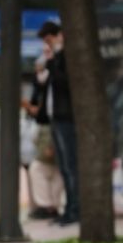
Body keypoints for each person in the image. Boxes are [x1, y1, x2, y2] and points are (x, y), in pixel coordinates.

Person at [36, 21, 80, 226]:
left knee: (69, 166)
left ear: (58, 36)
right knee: (64, 166)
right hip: (56, 117)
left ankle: (74, 209)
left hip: (66, 118)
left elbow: (65, 82)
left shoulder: (65, 56)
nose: (48, 45)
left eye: (49, 40)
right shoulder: (55, 59)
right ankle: (69, 208)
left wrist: (52, 61)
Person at [20, 52, 61, 219]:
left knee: (44, 167)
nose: (38, 74)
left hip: (49, 129)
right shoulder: (40, 86)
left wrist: (30, 109)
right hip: (40, 130)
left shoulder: (53, 84)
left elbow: (45, 112)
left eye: (41, 70)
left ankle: (48, 205)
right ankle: (44, 205)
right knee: (38, 167)